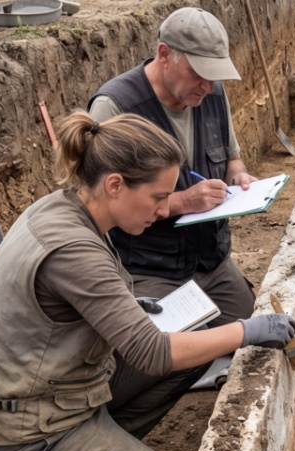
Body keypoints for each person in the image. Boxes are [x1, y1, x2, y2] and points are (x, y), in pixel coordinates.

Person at [0, 111, 295, 451]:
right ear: (114, 185)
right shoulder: (72, 248)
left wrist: (127, 307)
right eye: (157, 197)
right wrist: (246, 331)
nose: (163, 209)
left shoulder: (67, 207)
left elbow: (90, 302)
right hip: (29, 426)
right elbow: (150, 353)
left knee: (193, 346)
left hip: (54, 390)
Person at [90, 8, 257, 392]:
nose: (207, 86)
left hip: (210, 259)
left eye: (214, 76)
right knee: (156, 357)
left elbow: (232, 157)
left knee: (249, 329)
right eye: (198, 74)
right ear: (165, 55)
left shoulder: (212, 95)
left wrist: (240, 176)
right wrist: (182, 201)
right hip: (150, 266)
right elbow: (104, 203)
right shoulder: (117, 108)